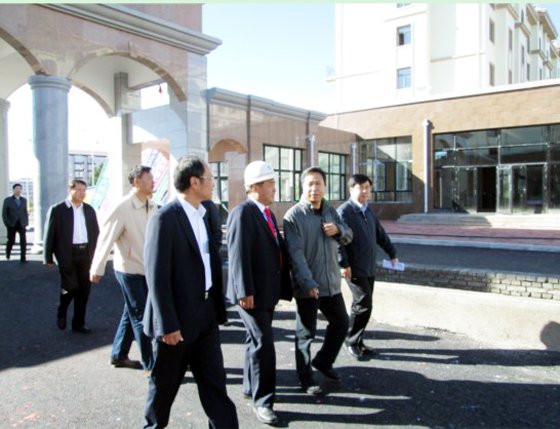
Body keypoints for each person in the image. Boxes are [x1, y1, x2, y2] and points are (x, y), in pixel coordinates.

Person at [143, 155, 238, 428]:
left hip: (205, 315)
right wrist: (168, 324)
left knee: (215, 386)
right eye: (210, 178)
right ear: (194, 182)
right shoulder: (164, 219)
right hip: (176, 322)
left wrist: (216, 309)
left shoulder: (203, 214)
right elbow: (157, 276)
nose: (213, 183)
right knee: (163, 391)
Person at [226, 161, 292, 425]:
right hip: (250, 294)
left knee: (254, 340)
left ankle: (249, 385)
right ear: (255, 187)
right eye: (270, 184)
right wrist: (244, 290)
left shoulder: (268, 214)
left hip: (267, 291)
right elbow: (237, 254)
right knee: (264, 343)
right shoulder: (242, 213)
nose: (274, 188)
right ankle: (263, 401)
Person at [283, 166, 352, 396]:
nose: (314, 188)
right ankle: (305, 379)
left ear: (325, 186)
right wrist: (308, 283)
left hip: (331, 283)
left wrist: (338, 230)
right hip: (309, 286)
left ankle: (323, 361)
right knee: (305, 335)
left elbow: (349, 235)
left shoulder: (330, 211)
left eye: (318, 183)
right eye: (310, 184)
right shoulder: (293, 216)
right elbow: (295, 254)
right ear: (302, 187)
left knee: (341, 322)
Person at [89, 165, 156, 370]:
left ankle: (118, 354)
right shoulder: (123, 206)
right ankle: (152, 364)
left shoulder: (152, 205)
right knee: (141, 315)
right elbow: (106, 237)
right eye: (149, 179)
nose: (153, 182)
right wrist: (97, 267)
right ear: (136, 182)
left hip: (147, 269)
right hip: (129, 270)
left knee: (131, 311)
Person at [338, 174, 398, 360]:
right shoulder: (344, 212)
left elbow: (380, 234)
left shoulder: (367, 211)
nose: (364, 191)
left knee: (363, 304)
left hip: (368, 266)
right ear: (351, 190)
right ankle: (351, 340)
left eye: (367, 188)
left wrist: (392, 253)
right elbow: (337, 241)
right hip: (354, 267)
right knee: (363, 303)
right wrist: (343, 264)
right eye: (360, 187)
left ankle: (358, 340)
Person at [44, 179, 99, 333]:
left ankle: (79, 323)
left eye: (84, 190)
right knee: (71, 287)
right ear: (70, 190)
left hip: (86, 254)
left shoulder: (89, 209)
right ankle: (62, 309)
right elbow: (49, 234)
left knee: (84, 290)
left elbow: (95, 233)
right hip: (66, 254)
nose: (82, 193)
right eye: (79, 190)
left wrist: (98, 254)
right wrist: (47, 257)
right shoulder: (58, 209)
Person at [2, 183, 29, 262]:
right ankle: (8, 254)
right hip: (12, 224)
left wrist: (26, 222)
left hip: (21, 224)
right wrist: (7, 223)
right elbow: (4, 213)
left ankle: (23, 257)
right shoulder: (8, 200)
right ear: (13, 190)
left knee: (23, 241)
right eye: (16, 189)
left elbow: (25, 212)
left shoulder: (24, 200)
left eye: (19, 189)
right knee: (11, 240)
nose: (18, 190)